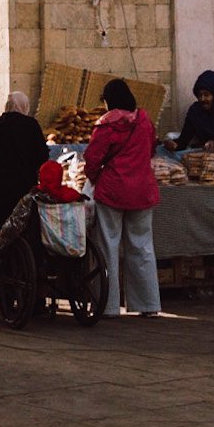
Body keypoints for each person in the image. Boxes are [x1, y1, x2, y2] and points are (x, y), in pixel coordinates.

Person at [83, 77, 163, 318]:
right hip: (143, 190)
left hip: (113, 191)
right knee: (142, 248)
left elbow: (93, 159)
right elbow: (150, 150)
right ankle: (148, 304)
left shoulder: (107, 125)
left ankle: (107, 305)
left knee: (108, 246)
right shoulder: (144, 121)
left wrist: (93, 177)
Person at [0, 91, 50, 289]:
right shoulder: (30, 126)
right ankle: (23, 286)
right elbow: (42, 155)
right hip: (21, 191)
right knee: (24, 236)